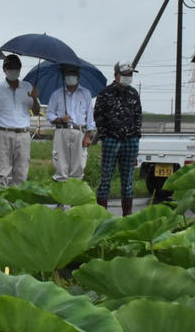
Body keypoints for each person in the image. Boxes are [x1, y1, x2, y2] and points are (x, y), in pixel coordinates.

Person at [0, 54, 40, 188]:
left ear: (20, 69)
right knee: (0, 173)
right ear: (4, 69)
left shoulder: (28, 87)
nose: (13, 70)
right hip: (3, 133)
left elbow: (36, 111)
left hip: (23, 134)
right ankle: (1, 207)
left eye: (16, 67)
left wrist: (35, 98)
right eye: (10, 67)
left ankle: (16, 206)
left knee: (21, 174)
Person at [93, 60, 142, 216]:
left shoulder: (133, 93)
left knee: (127, 181)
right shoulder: (105, 93)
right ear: (116, 75)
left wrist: (136, 134)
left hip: (131, 141)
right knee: (105, 179)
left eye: (130, 75)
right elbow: (98, 116)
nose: (128, 77)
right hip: (111, 140)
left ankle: (127, 216)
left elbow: (138, 115)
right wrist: (105, 135)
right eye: (126, 74)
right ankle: (102, 216)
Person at [46, 63, 94, 181]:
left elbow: (89, 116)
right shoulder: (56, 94)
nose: (70, 77)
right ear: (63, 76)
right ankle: (61, 193)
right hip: (62, 130)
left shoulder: (85, 93)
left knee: (79, 165)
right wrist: (60, 119)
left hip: (79, 131)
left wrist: (88, 135)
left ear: (78, 76)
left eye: (73, 74)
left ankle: (75, 194)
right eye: (67, 74)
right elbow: (49, 113)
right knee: (61, 164)